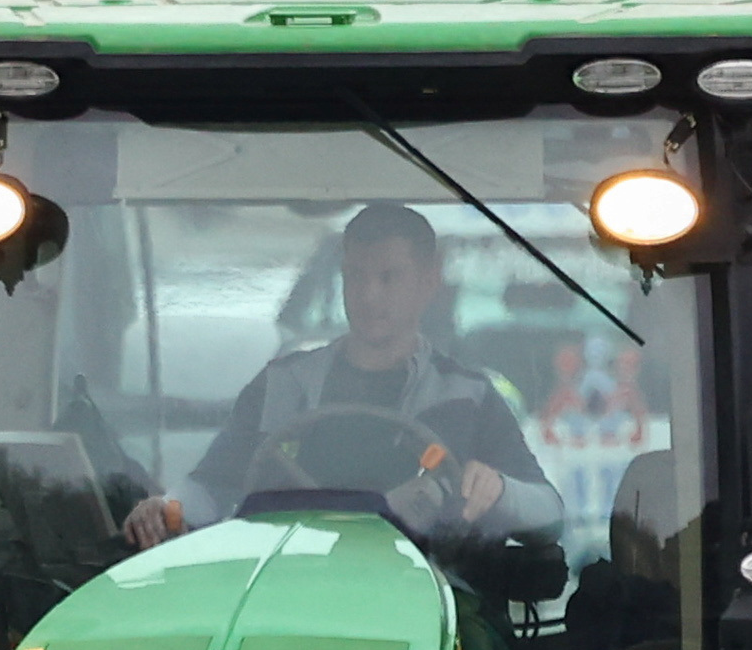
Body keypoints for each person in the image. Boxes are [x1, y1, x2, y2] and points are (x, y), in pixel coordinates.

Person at [124, 200, 560, 555]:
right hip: (288, 588)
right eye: (356, 276)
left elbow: (549, 514)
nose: (369, 295)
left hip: (434, 595)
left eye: (389, 278)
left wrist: (500, 490)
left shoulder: (468, 397)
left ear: (428, 282)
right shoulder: (282, 385)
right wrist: (167, 508)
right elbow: (212, 485)